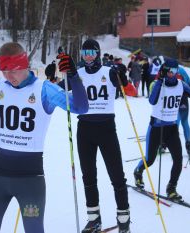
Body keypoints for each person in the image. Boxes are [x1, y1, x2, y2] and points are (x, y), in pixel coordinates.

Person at [0, 42, 89, 233]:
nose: (8, 75)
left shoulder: (44, 89)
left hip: (30, 177)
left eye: (13, 70)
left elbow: (80, 108)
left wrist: (73, 75)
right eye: (4, 70)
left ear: (25, 65)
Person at [75, 39, 131, 233]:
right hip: (85, 129)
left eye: (92, 51)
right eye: (85, 52)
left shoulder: (108, 71)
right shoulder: (77, 74)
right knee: (88, 176)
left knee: (117, 176)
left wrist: (122, 77)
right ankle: (94, 219)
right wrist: (55, 77)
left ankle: (123, 220)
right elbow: (60, 91)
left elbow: (126, 86)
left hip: (106, 128)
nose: (88, 55)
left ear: (98, 53)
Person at [133, 59, 190, 200]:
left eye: (174, 71)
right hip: (156, 128)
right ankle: (138, 172)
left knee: (177, 160)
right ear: (164, 71)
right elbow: (152, 101)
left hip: (171, 128)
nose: (171, 73)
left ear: (178, 71)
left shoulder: (181, 85)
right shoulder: (157, 84)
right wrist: (160, 80)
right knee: (150, 159)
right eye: (168, 71)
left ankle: (171, 188)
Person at [176, 66, 190, 156]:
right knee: (184, 122)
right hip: (183, 100)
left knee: (175, 123)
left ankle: (171, 145)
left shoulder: (166, 68)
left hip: (173, 101)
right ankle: (188, 144)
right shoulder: (182, 69)